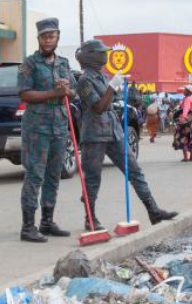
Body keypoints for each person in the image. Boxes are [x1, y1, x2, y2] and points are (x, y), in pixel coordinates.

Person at [75, 41, 178, 229]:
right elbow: (99, 106)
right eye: (101, 53)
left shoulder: (102, 77)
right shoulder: (84, 81)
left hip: (114, 131)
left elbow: (110, 103)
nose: (105, 56)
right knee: (92, 178)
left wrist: (115, 86)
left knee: (135, 171)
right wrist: (113, 86)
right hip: (94, 135)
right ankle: (90, 218)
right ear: (91, 56)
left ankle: (153, 210)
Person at [17, 17, 72, 242]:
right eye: (45, 36)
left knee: (53, 175)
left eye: (52, 36)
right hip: (36, 127)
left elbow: (73, 92)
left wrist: (67, 90)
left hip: (59, 124)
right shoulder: (29, 63)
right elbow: (25, 94)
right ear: (39, 38)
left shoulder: (64, 63)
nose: (49, 40)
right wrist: (54, 93)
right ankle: (28, 227)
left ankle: (47, 222)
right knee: (35, 175)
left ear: (58, 37)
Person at [173, 87, 192, 162]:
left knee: (183, 138)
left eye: (185, 90)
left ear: (189, 92)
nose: (184, 91)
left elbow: (185, 110)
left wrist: (183, 118)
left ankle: (186, 157)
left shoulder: (187, 99)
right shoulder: (191, 99)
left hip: (186, 121)